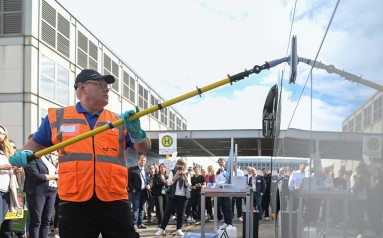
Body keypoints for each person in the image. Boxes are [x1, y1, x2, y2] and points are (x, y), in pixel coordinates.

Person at [8, 69, 151, 238]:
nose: (106, 89)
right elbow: (36, 143)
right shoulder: (58, 118)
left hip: (114, 200)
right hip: (75, 202)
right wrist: (26, 152)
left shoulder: (118, 120)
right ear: (82, 88)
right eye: (100, 85)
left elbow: (144, 147)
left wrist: (137, 133)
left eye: (107, 86)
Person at [23, 134, 58, 238]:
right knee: (36, 221)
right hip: (36, 191)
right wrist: (55, 176)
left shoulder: (48, 156)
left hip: (52, 190)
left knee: (46, 221)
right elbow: (36, 176)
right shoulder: (29, 157)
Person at [155, 158, 191, 237]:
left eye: (182, 165)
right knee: (168, 212)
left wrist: (185, 178)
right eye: (179, 164)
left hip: (183, 196)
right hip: (173, 195)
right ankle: (162, 228)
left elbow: (189, 186)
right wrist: (177, 174)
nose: (180, 166)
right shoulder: (172, 171)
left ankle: (179, 229)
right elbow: (170, 182)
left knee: (181, 213)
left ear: (184, 166)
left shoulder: (187, 173)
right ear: (177, 164)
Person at [0, 125, 17, 237]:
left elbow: (11, 164)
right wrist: (2, 167)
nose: (1, 135)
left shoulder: (6, 149)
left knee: (6, 222)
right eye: (0, 133)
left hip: (7, 189)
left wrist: (16, 167)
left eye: (3, 133)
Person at [128, 155, 151, 230]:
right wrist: (132, 189)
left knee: (141, 208)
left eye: (144, 160)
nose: (143, 162)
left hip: (144, 192)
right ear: (138, 161)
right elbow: (128, 180)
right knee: (136, 209)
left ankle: (140, 223)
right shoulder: (132, 169)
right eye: (142, 160)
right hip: (136, 192)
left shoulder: (146, 171)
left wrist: (149, 185)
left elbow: (148, 181)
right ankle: (134, 224)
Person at [216, 158, 232, 229]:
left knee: (228, 207)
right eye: (219, 162)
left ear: (224, 163)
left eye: (221, 162)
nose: (220, 163)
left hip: (228, 191)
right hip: (220, 191)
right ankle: (225, 222)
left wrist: (224, 172)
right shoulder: (217, 172)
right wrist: (222, 183)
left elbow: (228, 180)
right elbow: (217, 182)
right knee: (223, 207)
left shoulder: (228, 171)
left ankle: (230, 223)